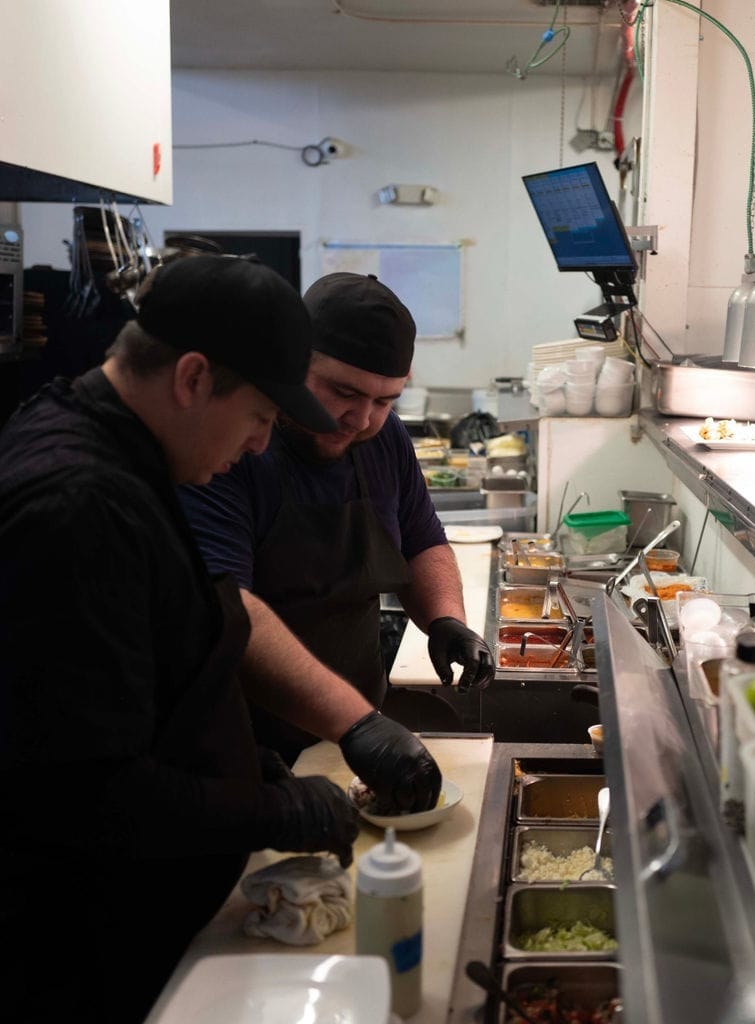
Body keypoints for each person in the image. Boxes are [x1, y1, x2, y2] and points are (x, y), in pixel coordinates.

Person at [0, 255, 439, 1024]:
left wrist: (242, 758)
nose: (263, 446)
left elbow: (150, 674)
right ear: (194, 378)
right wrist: (272, 812)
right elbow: (83, 796)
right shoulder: (78, 508)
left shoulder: (112, 451)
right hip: (84, 948)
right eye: (262, 419)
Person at [180, 272, 494, 764]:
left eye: (384, 401)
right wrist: (356, 723)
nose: (362, 419)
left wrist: (445, 621)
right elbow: (229, 609)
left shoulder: (383, 438)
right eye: (344, 392)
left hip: (351, 731)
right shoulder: (236, 446)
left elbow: (421, 539)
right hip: (245, 741)